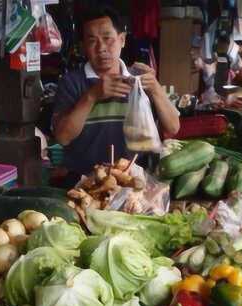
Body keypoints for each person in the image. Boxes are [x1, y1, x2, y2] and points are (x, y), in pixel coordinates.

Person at [52, 6, 179, 185]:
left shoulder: (139, 78)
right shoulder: (72, 82)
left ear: (122, 40)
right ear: (83, 47)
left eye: (107, 39)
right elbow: (63, 137)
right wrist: (92, 95)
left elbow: (173, 127)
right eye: (92, 41)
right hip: (84, 183)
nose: (101, 48)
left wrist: (156, 89)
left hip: (135, 181)